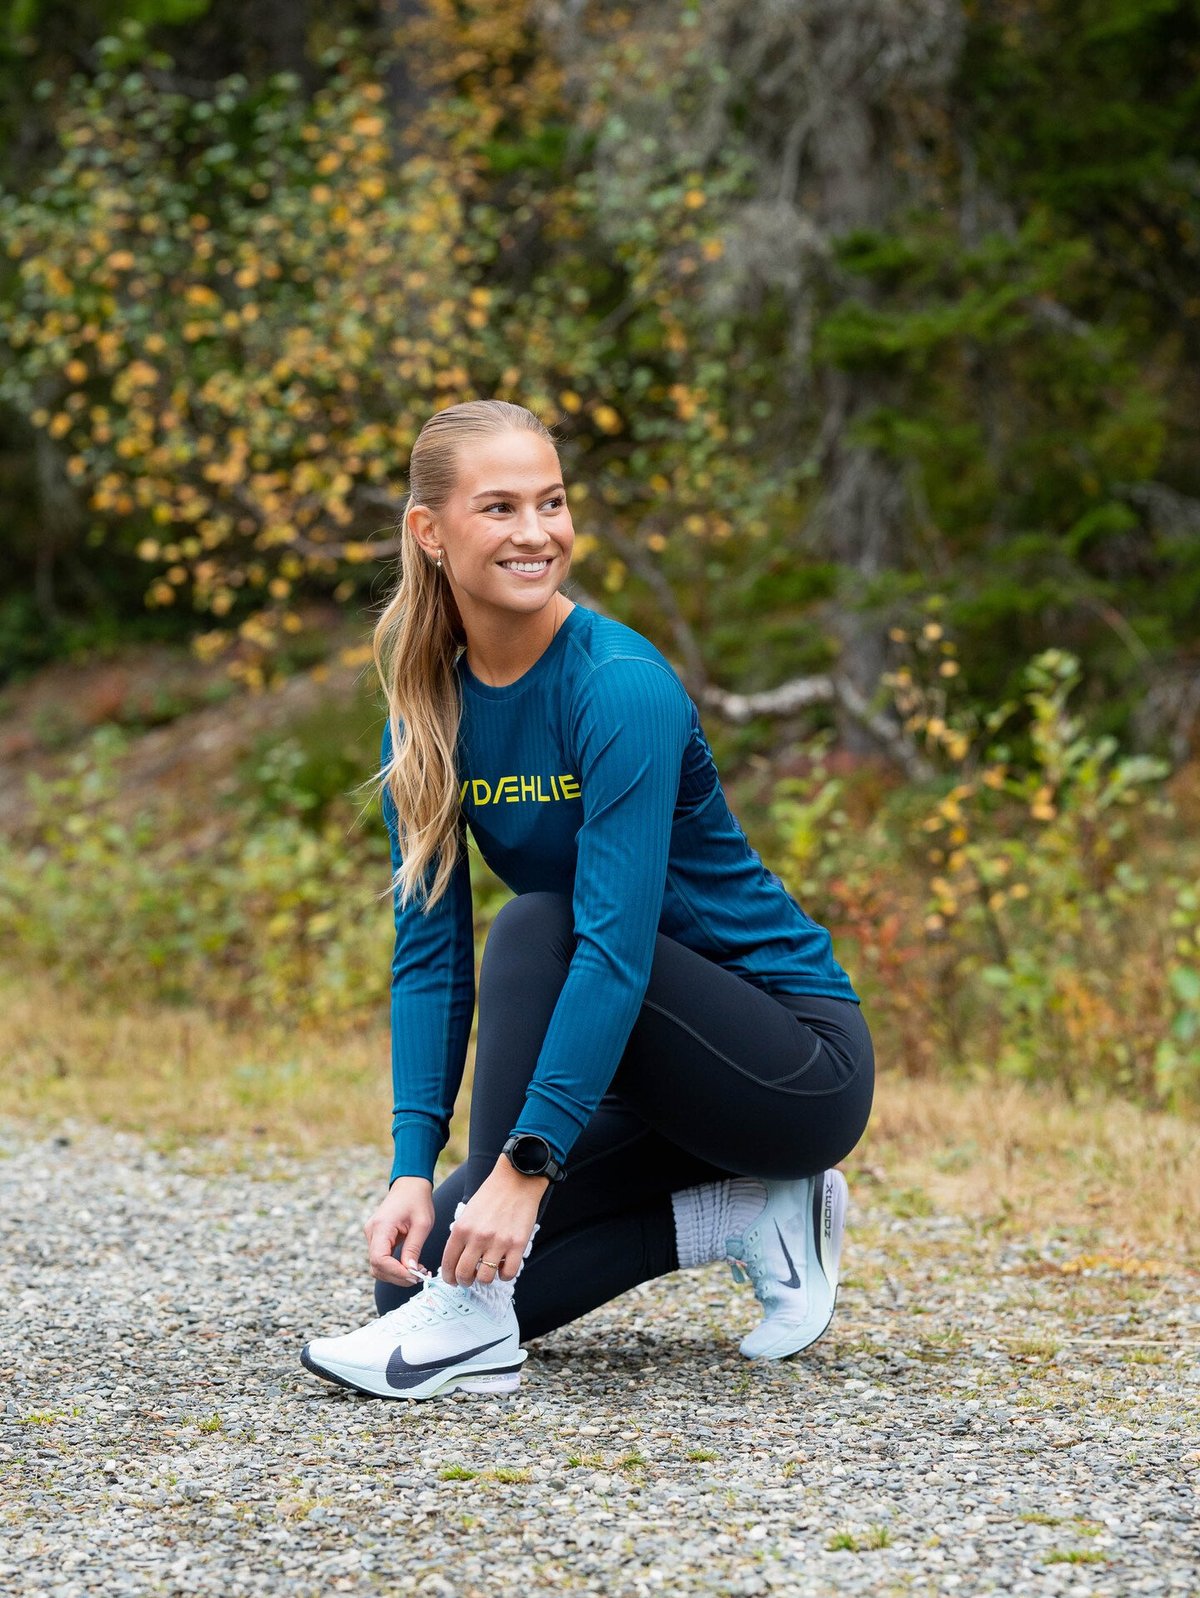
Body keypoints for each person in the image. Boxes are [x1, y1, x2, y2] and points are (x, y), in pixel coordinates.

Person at [301, 399, 874, 1401]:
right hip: (640, 1069)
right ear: (428, 532)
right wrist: (409, 1166)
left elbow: (608, 947)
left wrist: (519, 1171)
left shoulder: (617, 686)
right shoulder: (428, 711)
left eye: (552, 502)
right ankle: (745, 1218)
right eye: (501, 506)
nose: (537, 532)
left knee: (537, 923)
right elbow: (428, 956)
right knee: (412, 1282)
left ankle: (475, 1322)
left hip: (789, 1063)